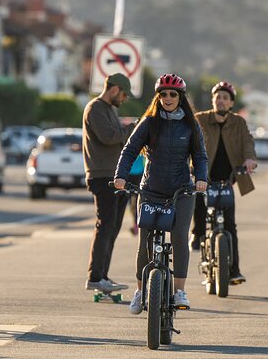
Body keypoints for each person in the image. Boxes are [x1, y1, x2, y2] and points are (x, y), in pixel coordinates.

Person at [113, 73, 208, 314]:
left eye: (172, 94)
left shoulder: (190, 125)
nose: (167, 98)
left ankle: (179, 291)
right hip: (151, 190)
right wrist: (120, 175)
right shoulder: (149, 122)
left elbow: (199, 156)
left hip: (181, 191)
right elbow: (129, 150)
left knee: (179, 237)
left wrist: (202, 178)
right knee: (145, 242)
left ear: (180, 97)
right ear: (158, 97)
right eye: (163, 94)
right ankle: (139, 290)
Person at [190, 81, 257, 284]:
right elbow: (189, 141)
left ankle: (234, 270)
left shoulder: (239, 123)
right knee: (199, 201)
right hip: (205, 176)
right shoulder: (200, 119)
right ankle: (197, 233)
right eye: (218, 97)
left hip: (229, 178)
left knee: (230, 225)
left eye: (225, 98)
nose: (221, 101)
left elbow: (248, 143)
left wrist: (250, 160)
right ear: (213, 100)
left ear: (231, 103)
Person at [82, 72, 136, 293]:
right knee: (105, 225)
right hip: (102, 176)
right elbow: (108, 137)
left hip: (116, 177)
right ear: (114, 90)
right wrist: (133, 128)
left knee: (113, 227)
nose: (123, 99)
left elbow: (116, 135)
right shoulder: (95, 108)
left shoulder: (110, 110)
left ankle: (103, 275)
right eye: (123, 95)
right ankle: (95, 277)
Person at [127, 153, 145, 235]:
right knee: (135, 202)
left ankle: (136, 225)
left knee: (133, 203)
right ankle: (136, 224)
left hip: (133, 174)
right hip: (135, 174)